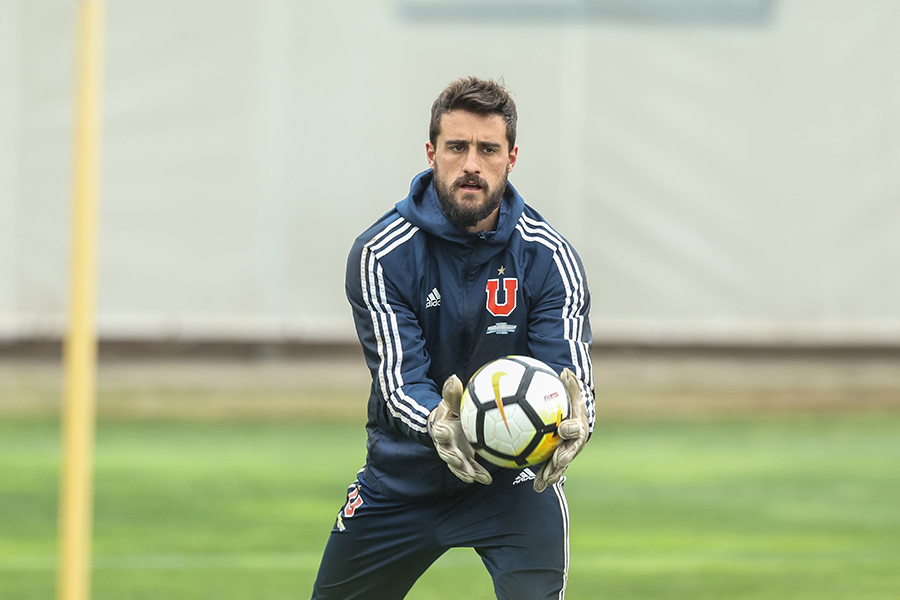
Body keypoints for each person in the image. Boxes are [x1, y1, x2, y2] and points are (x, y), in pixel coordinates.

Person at [310, 76, 595, 600]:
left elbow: (569, 377)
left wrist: (581, 420)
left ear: (511, 158)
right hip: (402, 481)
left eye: (488, 149)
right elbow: (400, 382)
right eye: (457, 147)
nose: (471, 164)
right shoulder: (381, 253)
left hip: (515, 483)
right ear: (431, 152)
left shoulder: (549, 257)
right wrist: (442, 422)